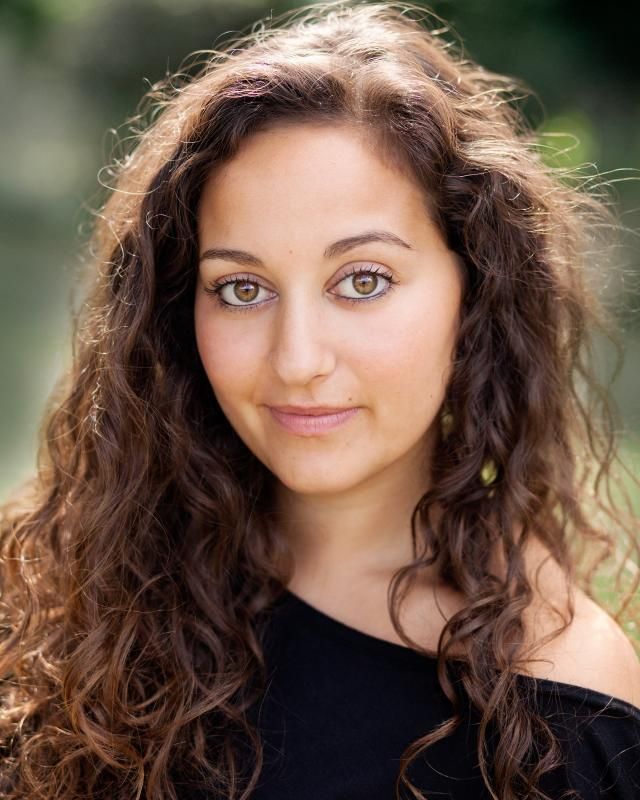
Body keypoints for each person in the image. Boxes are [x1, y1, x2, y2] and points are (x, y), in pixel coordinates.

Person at [1, 1, 639, 798]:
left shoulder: (562, 700)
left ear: (475, 290)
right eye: (241, 288)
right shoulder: (59, 593)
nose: (297, 360)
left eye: (362, 281)